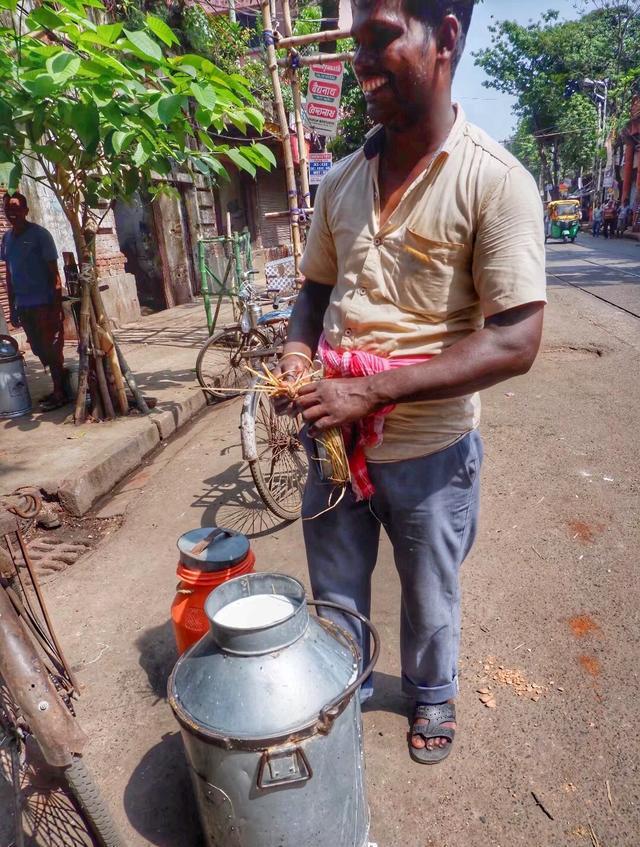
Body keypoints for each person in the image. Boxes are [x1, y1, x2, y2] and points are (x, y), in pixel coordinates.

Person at [277, 0, 546, 765]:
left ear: (446, 40)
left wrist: (371, 391)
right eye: (355, 42)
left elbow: (517, 338)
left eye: (381, 38)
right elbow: (315, 292)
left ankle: (432, 693)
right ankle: (347, 683)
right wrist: (300, 359)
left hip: (429, 451)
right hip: (331, 438)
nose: (360, 61)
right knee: (333, 587)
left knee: (429, 596)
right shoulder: (339, 182)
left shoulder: (496, 183)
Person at [1, 192, 66, 410]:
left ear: (26, 211)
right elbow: (10, 275)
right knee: (37, 348)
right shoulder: (7, 239)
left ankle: (60, 392)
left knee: (52, 347)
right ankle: (61, 384)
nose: (12, 213)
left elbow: (54, 275)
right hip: (24, 305)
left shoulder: (40, 235)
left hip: (44, 304)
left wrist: (56, 309)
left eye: (16, 208)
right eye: (8, 209)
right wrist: (12, 308)